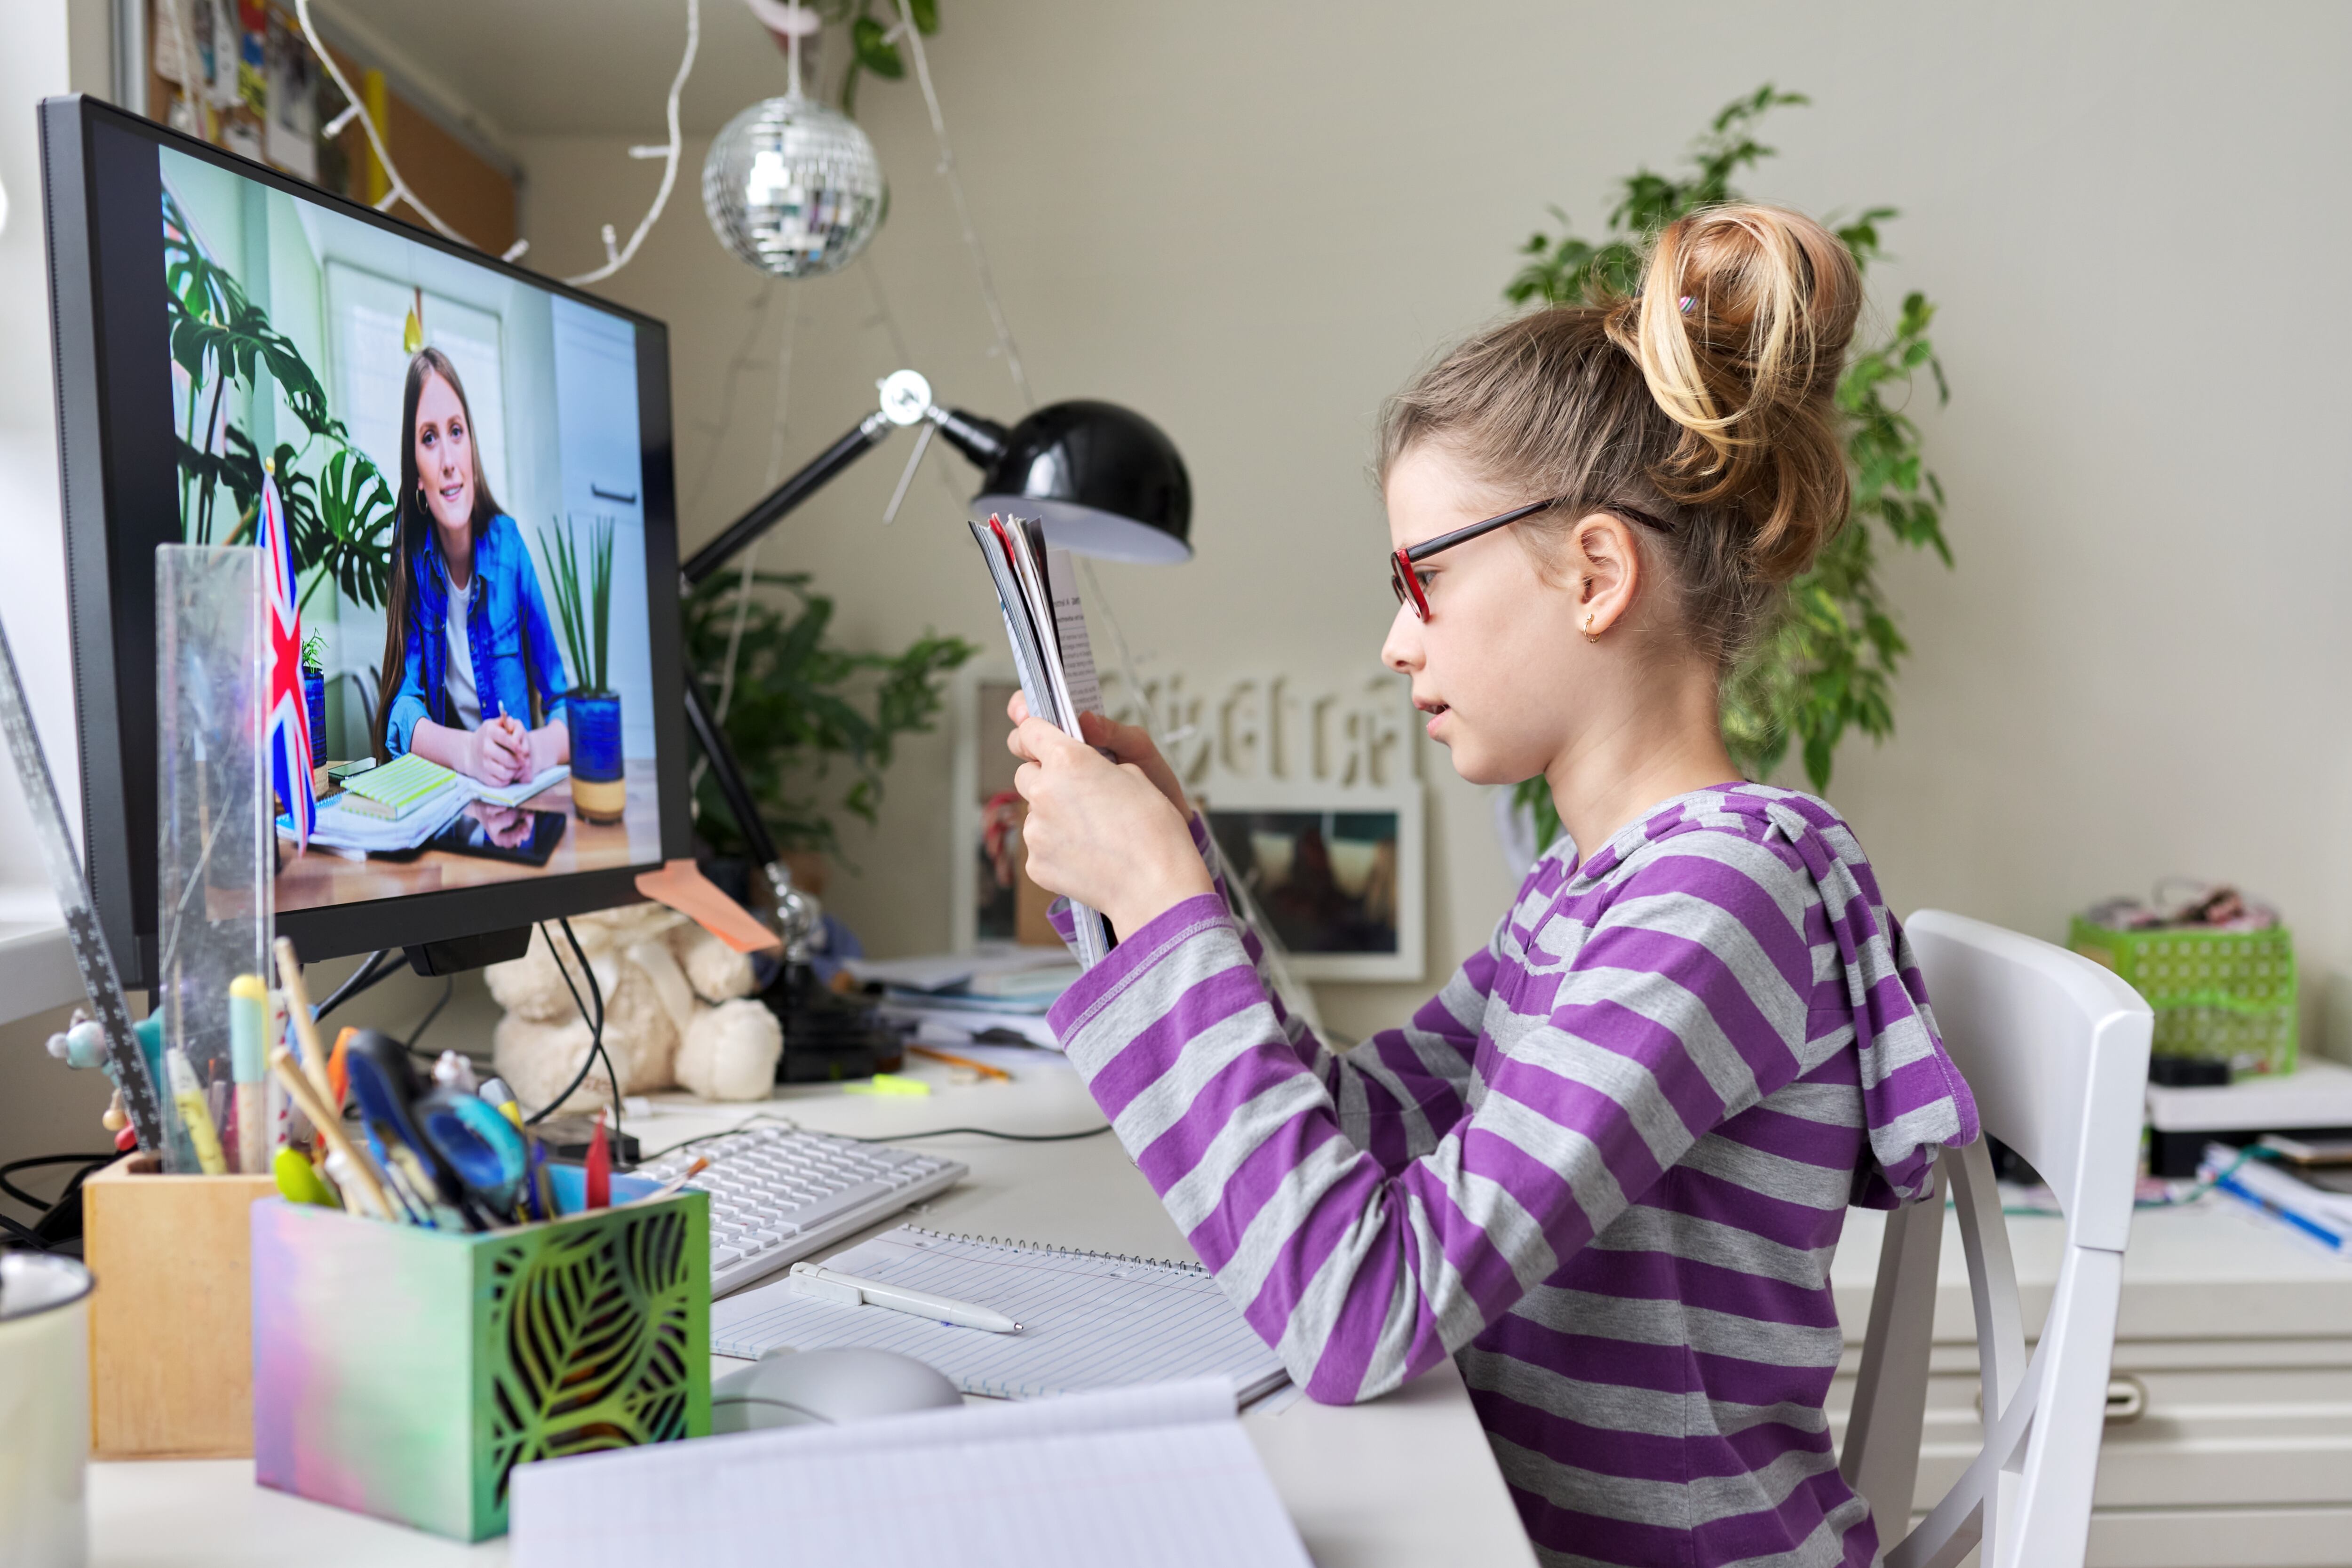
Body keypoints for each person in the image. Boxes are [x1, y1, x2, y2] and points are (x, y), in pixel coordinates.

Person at [1007, 205, 1979, 1567]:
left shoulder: (1713, 903)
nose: (1397, 641)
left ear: (1593, 571)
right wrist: (1176, 887)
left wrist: (1170, 916)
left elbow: (1361, 1309)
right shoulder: (1597, 886)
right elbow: (1367, 1127)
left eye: (1425, 579)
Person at [373, 347, 572, 787]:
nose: (447, 461)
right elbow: (402, 710)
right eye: (429, 438)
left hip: (516, 801)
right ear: (418, 476)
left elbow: (565, 705)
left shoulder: (510, 549)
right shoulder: (412, 559)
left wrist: (531, 753)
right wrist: (469, 751)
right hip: (449, 801)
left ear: (473, 450)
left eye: (456, 431)